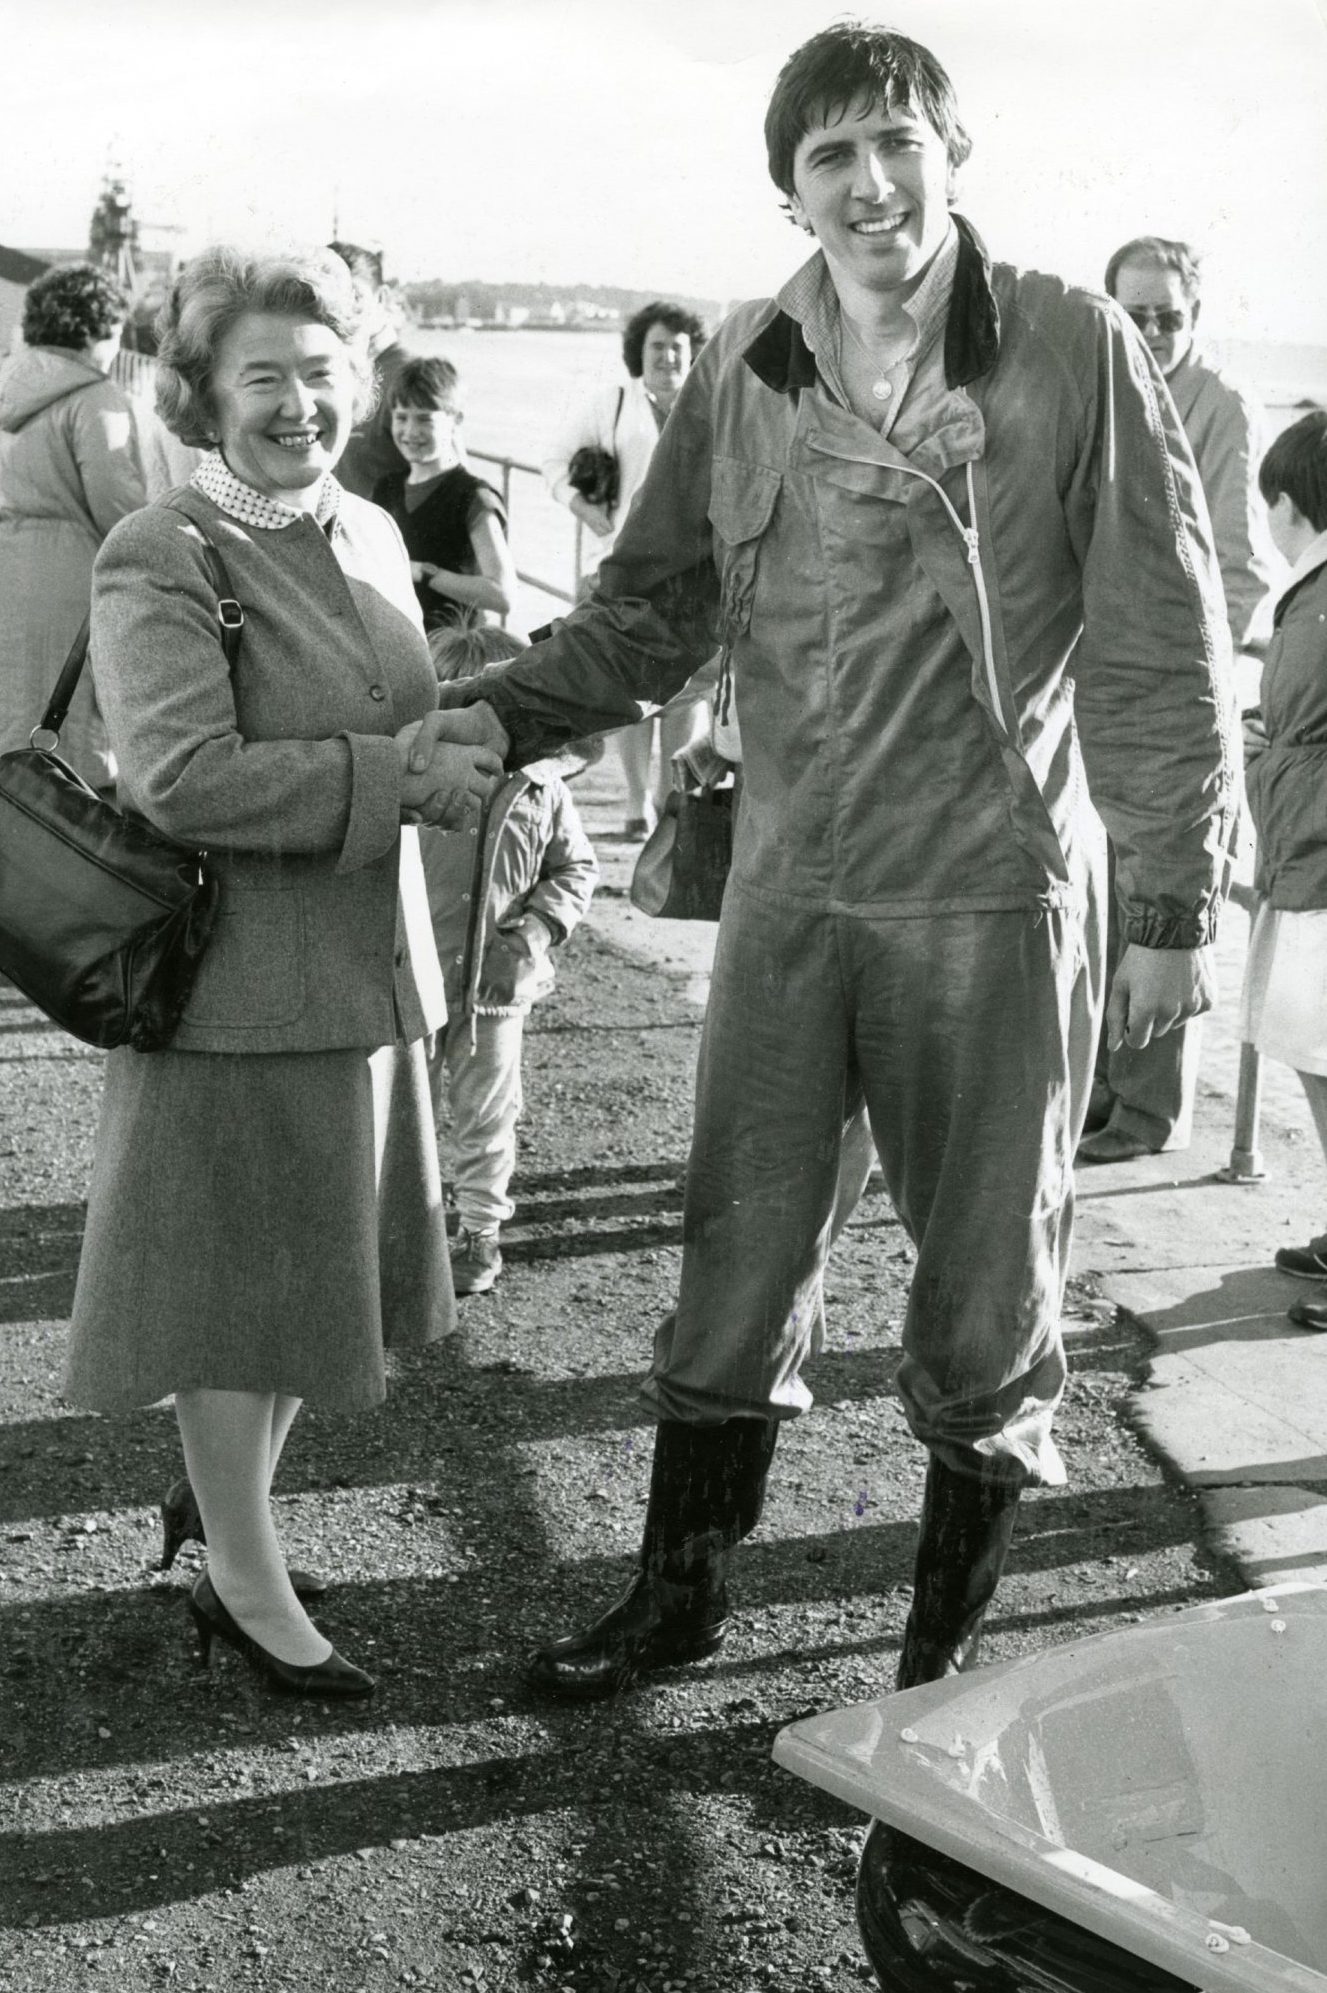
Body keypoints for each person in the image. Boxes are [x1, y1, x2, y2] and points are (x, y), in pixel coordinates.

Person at [445, 22, 1237, 1701]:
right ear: (787, 189)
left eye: (897, 143)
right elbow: (659, 604)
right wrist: (500, 715)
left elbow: (1160, 641)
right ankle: (676, 1596)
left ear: (953, 154)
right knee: (734, 1249)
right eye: (831, 158)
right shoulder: (745, 357)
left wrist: (1168, 901)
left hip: (990, 890)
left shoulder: (1073, 344)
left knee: (984, 1287)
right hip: (792, 886)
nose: (871, 183)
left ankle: (940, 1661)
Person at [62, 245, 503, 1699]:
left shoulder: (372, 529)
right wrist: (397, 777)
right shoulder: (163, 549)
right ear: (203, 392)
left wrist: (475, 723)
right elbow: (181, 778)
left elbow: (396, 708)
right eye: (265, 376)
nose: (300, 403)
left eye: (324, 375)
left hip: (366, 981)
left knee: (314, 1293)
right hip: (236, 998)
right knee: (232, 1305)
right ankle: (242, 1582)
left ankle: (223, 1520)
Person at [1080, 235, 1277, 1164]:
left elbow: (1235, 565)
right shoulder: (1102, 384)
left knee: (1165, 885)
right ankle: (1097, 1087)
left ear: (1194, 318)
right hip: (1098, 679)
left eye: (1169, 315)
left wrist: (1199, 691)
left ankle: (1147, 1115)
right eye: (1135, 313)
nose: (1152, 330)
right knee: (1100, 889)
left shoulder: (1218, 403)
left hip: (1179, 687)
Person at [422, 624, 599, 1294]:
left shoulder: (543, 786)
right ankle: (396, 1227)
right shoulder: (408, 778)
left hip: (494, 986)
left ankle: (479, 1231)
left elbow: (576, 867)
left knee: (487, 1115)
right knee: (398, 1114)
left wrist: (535, 929)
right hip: (408, 978)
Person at [543, 301, 712, 838]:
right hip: (621, 567)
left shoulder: (707, 403)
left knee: (685, 695)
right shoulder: (612, 402)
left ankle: (668, 802)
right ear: (638, 353)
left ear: (693, 353)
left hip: (693, 571)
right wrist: (587, 511)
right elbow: (554, 460)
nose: (667, 356)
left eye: (677, 347)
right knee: (627, 692)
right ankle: (635, 802)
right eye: (656, 346)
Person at [1238, 409, 1327, 1328]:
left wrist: (1260, 752)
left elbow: (1300, 728)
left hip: (1315, 860)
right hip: (1306, 851)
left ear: (1287, 504)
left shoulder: (1313, 597)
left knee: (1321, 1055)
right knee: (1312, 1055)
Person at [0, 262, 145, 787]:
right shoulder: (95, 397)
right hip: (69, 584)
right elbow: (120, 509)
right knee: (69, 743)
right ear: (101, 329)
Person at [373, 355, 517, 632]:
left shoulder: (474, 498)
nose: (410, 431)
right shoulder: (386, 488)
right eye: (401, 418)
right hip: (400, 641)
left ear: (456, 420)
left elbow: (503, 596)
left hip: (450, 650)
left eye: (425, 419)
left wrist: (423, 572)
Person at [328, 241, 409, 499]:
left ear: (382, 298)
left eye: (354, 296)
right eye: (330, 297)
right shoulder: (330, 373)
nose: (341, 311)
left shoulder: (411, 375)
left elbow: (456, 485)